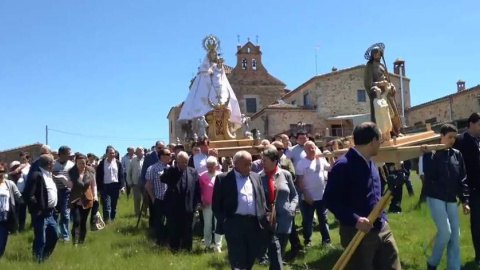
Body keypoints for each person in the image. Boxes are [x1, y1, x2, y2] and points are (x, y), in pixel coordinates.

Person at [324, 122, 401, 270]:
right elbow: (330, 200)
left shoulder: (370, 162)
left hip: (381, 227)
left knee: (393, 264)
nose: (381, 144)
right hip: (357, 232)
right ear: (373, 141)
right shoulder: (344, 165)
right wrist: (355, 219)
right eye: (380, 140)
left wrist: (383, 215)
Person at [423, 124, 470, 270]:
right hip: (435, 196)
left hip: (451, 198)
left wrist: (464, 200)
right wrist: (428, 154)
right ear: (441, 137)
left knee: (455, 235)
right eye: (449, 137)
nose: (452, 140)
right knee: (445, 232)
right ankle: (432, 263)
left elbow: (462, 178)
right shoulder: (431, 153)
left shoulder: (457, 154)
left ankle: (453, 267)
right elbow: (429, 174)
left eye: (454, 137)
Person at [212, 150, 270, 270]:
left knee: (252, 253)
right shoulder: (223, 179)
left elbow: (261, 198)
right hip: (234, 222)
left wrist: (265, 213)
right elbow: (216, 204)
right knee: (236, 255)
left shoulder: (256, 177)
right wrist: (225, 220)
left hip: (254, 223)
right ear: (235, 163)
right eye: (246, 164)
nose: (249, 167)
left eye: (250, 164)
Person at [260, 146, 298, 268]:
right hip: (267, 222)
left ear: (274, 161)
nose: (262, 163)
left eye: (265, 160)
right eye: (262, 160)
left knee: (280, 251)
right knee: (273, 254)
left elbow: (295, 195)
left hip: (284, 220)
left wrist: (291, 209)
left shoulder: (285, 175)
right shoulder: (258, 178)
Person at [453, 112, 480, 265]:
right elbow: (457, 166)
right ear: (471, 124)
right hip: (473, 188)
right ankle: (479, 255)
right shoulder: (460, 140)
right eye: (479, 124)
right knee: (477, 224)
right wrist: (462, 192)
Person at [160, 151, 200, 252]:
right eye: (180, 162)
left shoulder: (193, 171)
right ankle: (174, 249)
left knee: (188, 229)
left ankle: (187, 249)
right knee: (174, 228)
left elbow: (197, 188)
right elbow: (163, 179)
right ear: (177, 161)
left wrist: (197, 203)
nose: (183, 164)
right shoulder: (172, 171)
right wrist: (172, 168)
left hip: (188, 205)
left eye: (185, 162)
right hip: (174, 206)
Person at [23, 154, 59, 262]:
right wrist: (38, 208)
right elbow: (28, 195)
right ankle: (36, 261)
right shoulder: (36, 175)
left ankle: (43, 258)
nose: (54, 164)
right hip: (41, 214)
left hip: (51, 213)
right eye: (53, 162)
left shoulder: (49, 175)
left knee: (54, 236)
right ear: (49, 164)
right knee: (40, 239)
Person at [67, 154, 97, 245]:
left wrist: (95, 196)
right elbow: (69, 185)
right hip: (75, 200)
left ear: (86, 163)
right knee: (76, 221)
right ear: (76, 163)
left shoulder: (90, 172)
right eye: (79, 163)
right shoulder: (71, 172)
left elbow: (94, 185)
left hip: (87, 199)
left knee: (83, 222)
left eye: (83, 163)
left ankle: (81, 242)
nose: (81, 165)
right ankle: (74, 242)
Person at [145, 149, 171, 246]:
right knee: (159, 221)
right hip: (158, 199)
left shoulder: (170, 168)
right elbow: (148, 186)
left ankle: (168, 239)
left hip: (169, 200)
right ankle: (160, 241)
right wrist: (153, 198)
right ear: (161, 156)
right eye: (168, 154)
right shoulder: (152, 168)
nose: (170, 155)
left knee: (170, 220)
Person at [198, 156, 223, 252]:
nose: (210, 168)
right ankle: (207, 244)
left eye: (212, 166)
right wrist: (201, 201)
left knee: (218, 224)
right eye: (208, 166)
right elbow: (199, 190)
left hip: (219, 204)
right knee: (207, 224)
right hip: (206, 204)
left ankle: (218, 245)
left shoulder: (221, 175)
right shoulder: (202, 176)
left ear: (216, 165)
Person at [96, 146, 125, 224]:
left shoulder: (118, 163)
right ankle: (107, 221)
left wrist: (122, 186)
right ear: (106, 154)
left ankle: (112, 219)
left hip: (115, 186)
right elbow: (98, 176)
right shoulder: (102, 163)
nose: (112, 154)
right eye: (110, 153)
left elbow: (121, 175)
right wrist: (99, 189)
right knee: (106, 205)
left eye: (113, 153)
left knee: (113, 205)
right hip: (105, 186)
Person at [52, 146, 75, 242]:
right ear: (61, 154)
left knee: (65, 214)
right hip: (55, 192)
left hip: (67, 192)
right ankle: (55, 234)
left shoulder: (71, 165)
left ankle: (65, 236)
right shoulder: (53, 164)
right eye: (68, 153)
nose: (70, 155)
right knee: (55, 214)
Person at [0, 162, 23, 258]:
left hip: (5, 217)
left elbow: (19, 197)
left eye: (2, 171)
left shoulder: (9, 184)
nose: (0, 173)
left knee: (2, 241)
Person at [127, 147, 144, 216]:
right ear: (136, 153)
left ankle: (144, 212)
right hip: (135, 182)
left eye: (141, 151)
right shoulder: (133, 160)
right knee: (137, 199)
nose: (140, 152)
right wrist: (130, 182)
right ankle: (137, 213)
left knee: (146, 199)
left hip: (144, 182)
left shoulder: (146, 159)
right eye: (138, 151)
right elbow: (129, 172)